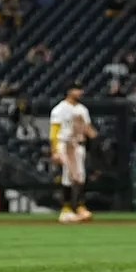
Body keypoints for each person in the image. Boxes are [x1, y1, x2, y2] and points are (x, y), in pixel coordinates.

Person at [49, 80, 96, 224]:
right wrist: (54, 151)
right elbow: (54, 132)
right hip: (64, 144)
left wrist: (95, 136)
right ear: (69, 91)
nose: (80, 92)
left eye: (80, 89)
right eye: (76, 89)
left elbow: (88, 128)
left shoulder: (82, 109)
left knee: (80, 176)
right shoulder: (59, 109)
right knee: (68, 176)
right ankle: (66, 210)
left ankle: (80, 207)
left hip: (78, 145)